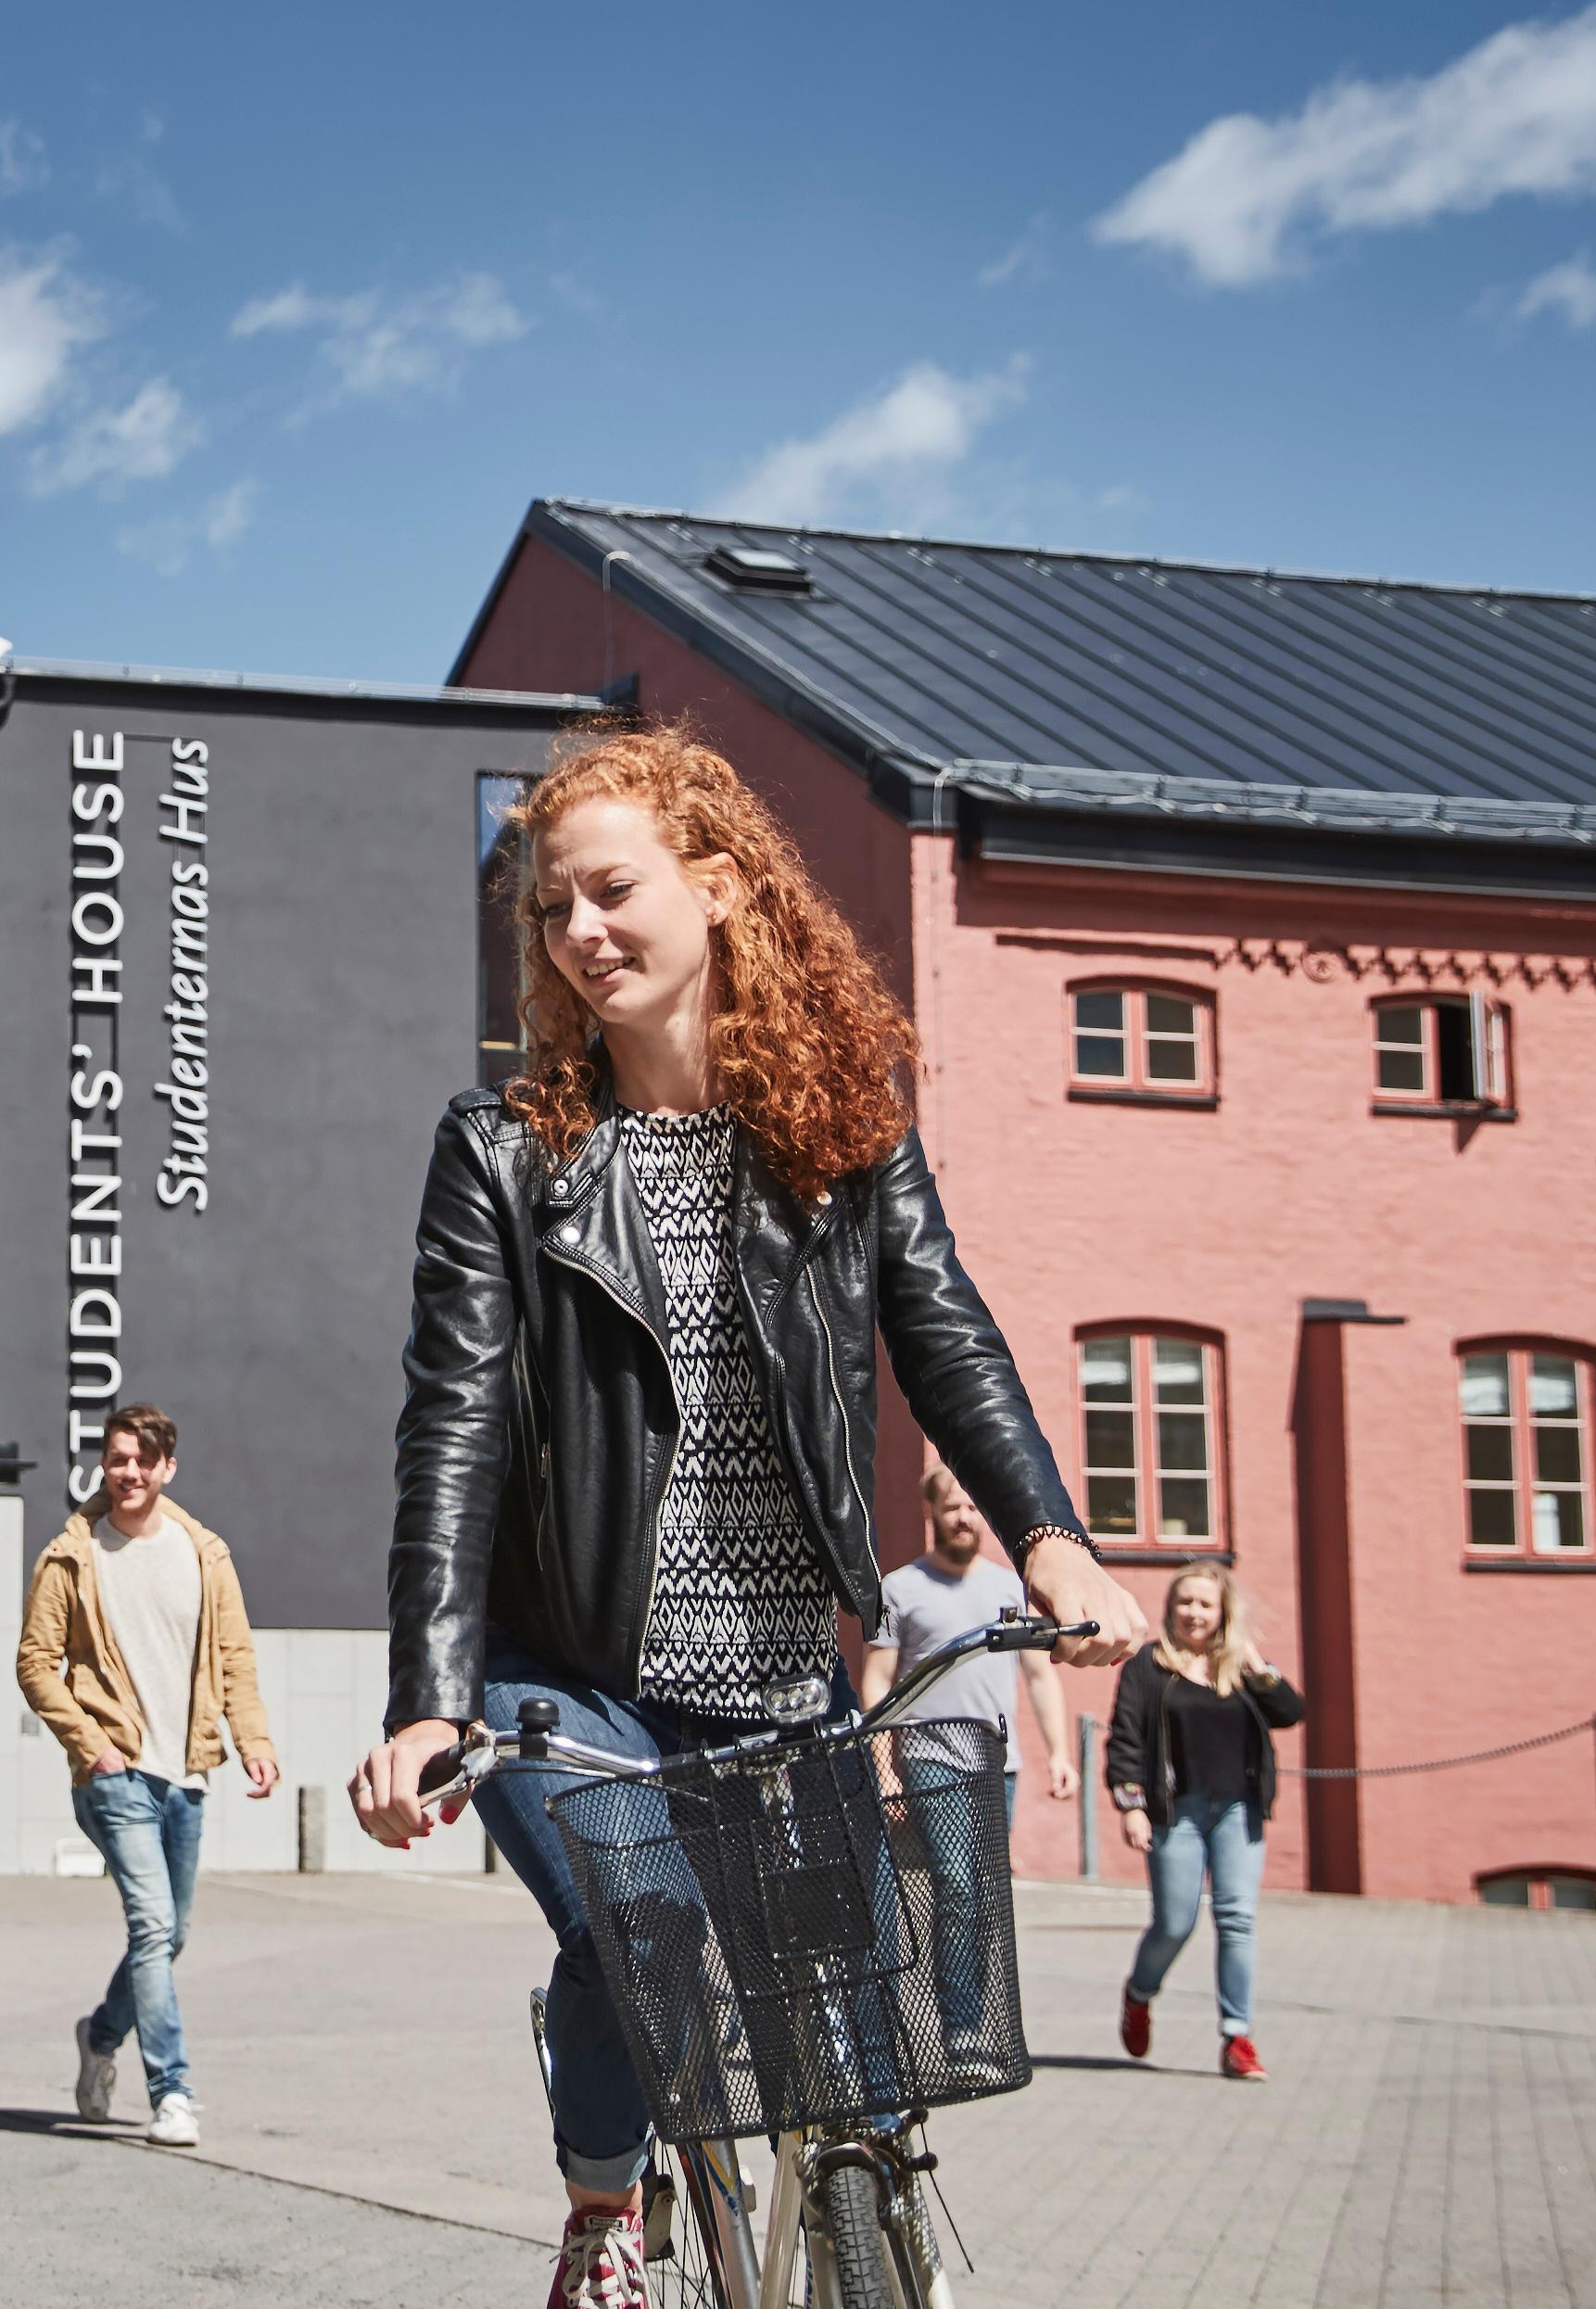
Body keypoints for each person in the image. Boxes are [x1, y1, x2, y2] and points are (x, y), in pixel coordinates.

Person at [345, 723, 1149, 2309]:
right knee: (636, 1928)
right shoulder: (504, 1155)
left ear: (717, 886)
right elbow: (448, 1431)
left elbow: (944, 1332)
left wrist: (1052, 1538)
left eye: (611, 891)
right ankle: (601, 2206)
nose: (578, 934)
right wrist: (428, 1703)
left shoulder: (841, 1128)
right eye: (549, 910)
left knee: (852, 2050)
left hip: (779, 1677)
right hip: (560, 1668)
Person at [16, 1402, 276, 2152]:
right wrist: (90, 1743)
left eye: (142, 1460)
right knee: (154, 1926)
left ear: (167, 1468)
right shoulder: (72, 1554)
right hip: (115, 1771)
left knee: (170, 1936)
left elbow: (235, 1657)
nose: (127, 1471)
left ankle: (99, 2038)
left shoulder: (204, 1554)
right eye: (117, 1458)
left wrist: (251, 1739)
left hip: (185, 1771)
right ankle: (173, 2092)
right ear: (105, 1463)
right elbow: (36, 1663)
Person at [855, 1465, 1083, 2073]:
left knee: (984, 1895)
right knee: (955, 1886)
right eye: (954, 1508)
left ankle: (980, 2023)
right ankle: (959, 2033)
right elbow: (877, 1681)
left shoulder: (1010, 1590)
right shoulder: (899, 1588)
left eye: (973, 1508)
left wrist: (1060, 1754)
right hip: (928, 1758)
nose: (965, 1518)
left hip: (996, 1763)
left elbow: (1039, 1675)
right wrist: (885, 1768)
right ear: (933, 1512)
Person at [1104, 1560, 1302, 2082]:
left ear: (1223, 1613)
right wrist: (1131, 1806)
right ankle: (1139, 1994)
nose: (1194, 1613)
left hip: (1238, 1809)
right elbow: (1125, 1740)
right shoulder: (1149, 1667)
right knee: (1175, 1922)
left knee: (1237, 1918)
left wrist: (1258, 1668)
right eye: (1185, 1603)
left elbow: (1290, 1712)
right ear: (1171, 1609)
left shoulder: (1240, 1669)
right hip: (1177, 1812)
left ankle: (1238, 2037)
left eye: (1205, 1604)